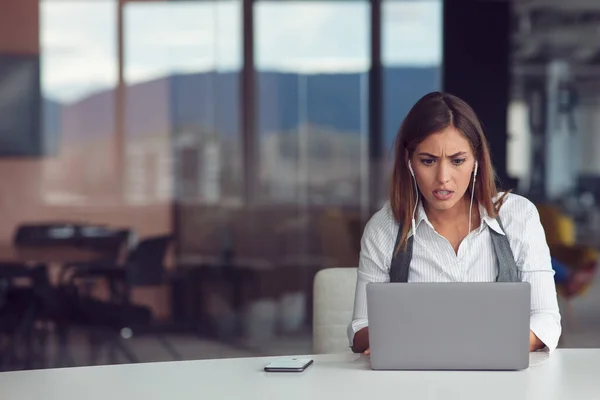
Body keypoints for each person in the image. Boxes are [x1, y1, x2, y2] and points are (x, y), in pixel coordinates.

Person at [349, 92, 561, 355]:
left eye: (457, 160)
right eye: (428, 161)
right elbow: (360, 330)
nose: (443, 178)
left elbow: (546, 319)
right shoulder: (384, 227)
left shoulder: (519, 216)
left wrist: (465, 345)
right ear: (409, 161)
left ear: (476, 161)